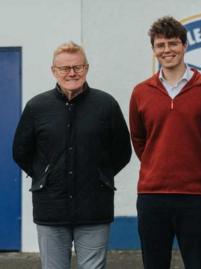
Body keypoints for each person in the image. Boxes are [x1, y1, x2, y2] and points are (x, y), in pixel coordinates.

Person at [12, 41, 131, 269]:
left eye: (77, 67)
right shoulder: (37, 107)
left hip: (95, 206)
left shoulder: (106, 105)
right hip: (51, 207)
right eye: (65, 68)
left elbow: (122, 151)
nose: (72, 73)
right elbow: (21, 151)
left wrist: (99, 175)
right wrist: (45, 175)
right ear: (54, 71)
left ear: (86, 68)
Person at [129, 16, 201, 269]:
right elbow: (139, 140)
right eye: (160, 45)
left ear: (184, 45)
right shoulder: (141, 92)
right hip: (152, 196)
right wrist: (157, 164)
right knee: (154, 264)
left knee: (198, 264)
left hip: (195, 196)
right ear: (154, 50)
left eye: (173, 43)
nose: (167, 50)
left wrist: (200, 168)